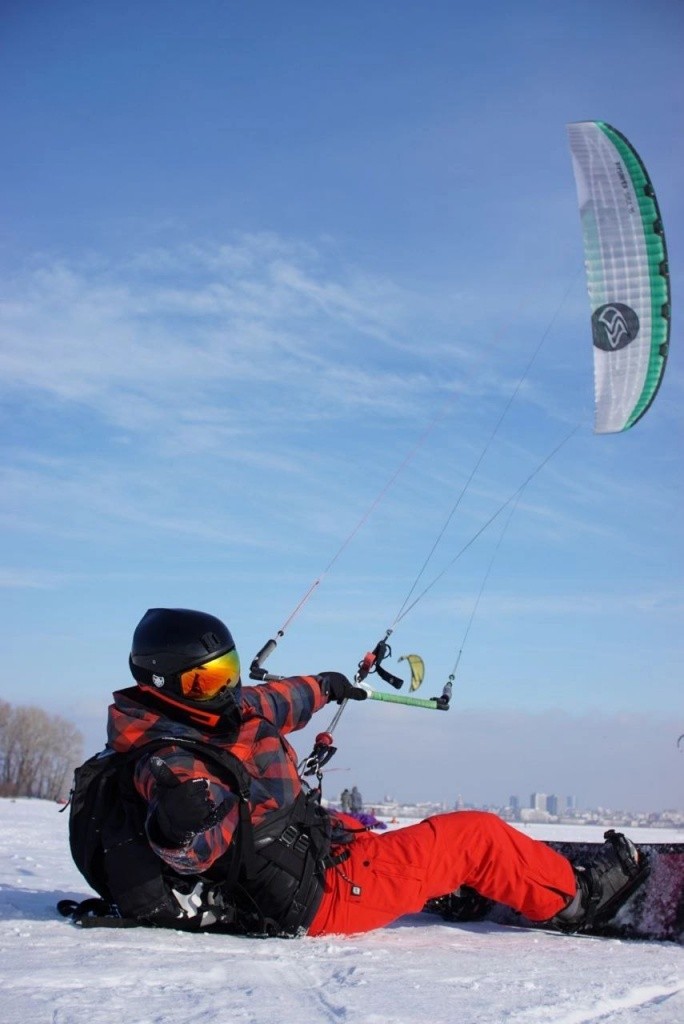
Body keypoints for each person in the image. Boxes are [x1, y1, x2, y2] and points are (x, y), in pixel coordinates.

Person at [98, 606, 643, 937]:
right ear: (162, 684)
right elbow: (198, 846)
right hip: (318, 895)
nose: (224, 688)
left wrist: (327, 684)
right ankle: (577, 902)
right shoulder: (170, 760)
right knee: (475, 836)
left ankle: (451, 892)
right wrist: (176, 827)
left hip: (302, 853)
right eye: (204, 680)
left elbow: (273, 700)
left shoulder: (213, 712)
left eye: (228, 671)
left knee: (364, 830)